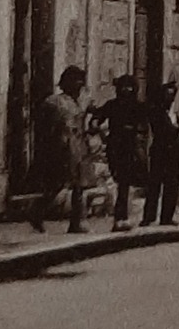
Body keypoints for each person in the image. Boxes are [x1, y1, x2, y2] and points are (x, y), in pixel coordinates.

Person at [28, 65, 91, 233]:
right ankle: (37, 213)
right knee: (56, 185)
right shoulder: (54, 102)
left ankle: (76, 223)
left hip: (77, 147)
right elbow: (44, 127)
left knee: (79, 186)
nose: (79, 87)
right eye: (76, 83)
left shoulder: (78, 102)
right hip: (60, 147)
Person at [89, 74, 149, 232]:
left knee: (124, 182)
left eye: (128, 88)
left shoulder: (137, 106)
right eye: (123, 87)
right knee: (121, 181)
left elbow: (144, 124)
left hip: (129, 147)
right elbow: (98, 117)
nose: (125, 91)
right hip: (116, 146)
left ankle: (121, 217)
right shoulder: (112, 105)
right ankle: (120, 217)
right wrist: (97, 126)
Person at [142, 80, 179, 227]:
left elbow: (177, 130)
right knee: (154, 185)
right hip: (160, 151)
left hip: (174, 153)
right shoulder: (156, 112)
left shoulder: (174, 114)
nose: (170, 99)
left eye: (173, 95)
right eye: (168, 95)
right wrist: (173, 126)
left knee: (172, 185)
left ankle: (167, 217)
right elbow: (164, 130)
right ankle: (149, 216)